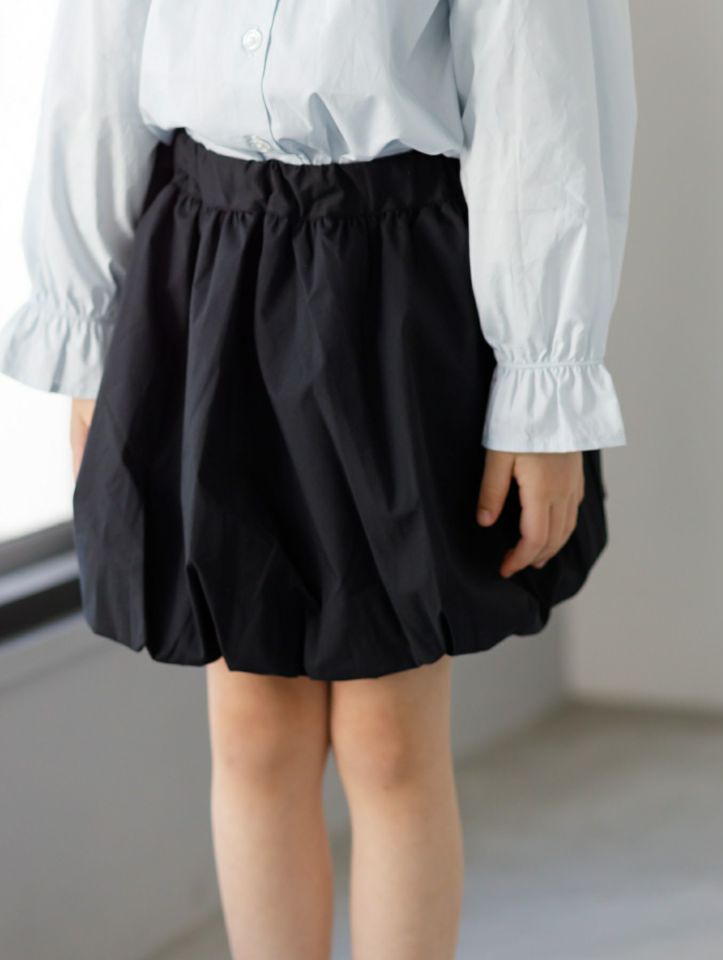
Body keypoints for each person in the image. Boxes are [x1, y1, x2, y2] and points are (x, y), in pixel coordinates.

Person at [0, 1, 637, 957]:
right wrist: (84, 322)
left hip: (395, 288)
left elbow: (536, 91)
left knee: (390, 739)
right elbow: (97, 58)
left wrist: (545, 382)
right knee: (252, 727)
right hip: (208, 275)